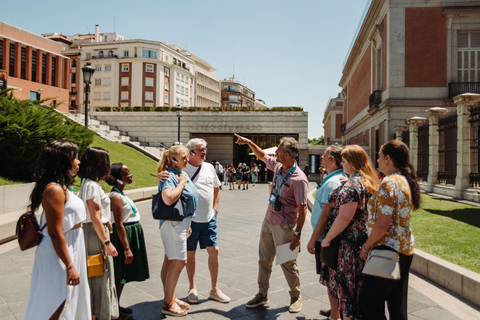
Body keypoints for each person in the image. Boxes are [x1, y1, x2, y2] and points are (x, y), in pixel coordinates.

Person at [235, 133, 308, 313]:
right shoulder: (278, 167)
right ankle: (262, 293)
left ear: (287, 155)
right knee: (264, 259)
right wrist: (250, 142)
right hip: (268, 221)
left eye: (279, 149)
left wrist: (297, 234)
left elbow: (303, 208)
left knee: (287, 262)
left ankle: (295, 295)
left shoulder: (299, 179)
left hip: (284, 226)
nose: (276, 151)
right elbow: (262, 155)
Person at [25, 139, 91, 320]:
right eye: (75, 157)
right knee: (54, 302)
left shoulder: (61, 186)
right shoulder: (54, 189)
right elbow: (55, 232)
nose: (78, 162)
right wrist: (69, 265)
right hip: (59, 251)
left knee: (65, 300)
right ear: (63, 161)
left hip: (69, 246)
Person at [359, 140, 420, 320]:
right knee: (397, 305)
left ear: (387, 158)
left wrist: (365, 247)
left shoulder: (388, 183)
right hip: (404, 248)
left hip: (387, 250)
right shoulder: (404, 180)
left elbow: (382, 224)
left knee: (368, 302)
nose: (376, 161)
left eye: (378, 156)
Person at [321, 145, 378, 320]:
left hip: (348, 249)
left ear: (352, 163)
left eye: (344, 161)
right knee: (357, 297)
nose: (342, 165)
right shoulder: (369, 183)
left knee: (348, 297)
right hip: (361, 244)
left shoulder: (352, 185)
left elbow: (345, 217)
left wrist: (327, 239)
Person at [184, 138, 231, 304]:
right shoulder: (183, 169)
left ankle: (214, 289)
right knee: (190, 254)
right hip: (189, 220)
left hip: (209, 218)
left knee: (214, 251)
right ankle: (192, 288)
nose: (204, 152)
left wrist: (215, 209)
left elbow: (216, 189)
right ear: (191, 152)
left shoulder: (210, 167)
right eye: (200, 150)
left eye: (204, 149)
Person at [157, 145, 199, 317]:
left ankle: (171, 297)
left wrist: (188, 223)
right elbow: (168, 198)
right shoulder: (170, 176)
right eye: (184, 158)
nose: (187, 160)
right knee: (179, 262)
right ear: (173, 160)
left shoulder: (181, 173)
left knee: (170, 260)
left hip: (180, 223)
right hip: (173, 225)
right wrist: (181, 184)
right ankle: (168, 303)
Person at [78, 147, 119, 320]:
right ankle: (97, 314)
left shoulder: (86, 183)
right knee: (99, 275)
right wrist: (107, 243)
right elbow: (94, 217)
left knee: (95, 275)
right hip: (96, 235)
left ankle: (93, 314)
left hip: (91, 233)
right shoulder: (93, 186)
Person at [306, 146, 345, 319]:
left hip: (326, 238)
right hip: (331, 237)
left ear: (332, 160)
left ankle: (334, 316)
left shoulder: (331, 183)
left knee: (331, 278)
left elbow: (325, 216)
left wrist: (313, 239)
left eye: (324, 155)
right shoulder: (337, 179)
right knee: (332, 277)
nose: (321, 156)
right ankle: (335, 309)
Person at [107, 163, 149, 319]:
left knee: (123, 275)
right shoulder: (116, 196)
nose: (131, 175)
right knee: (119, 274)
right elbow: (118, 224)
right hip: (123, 237)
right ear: (118, 178)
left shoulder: (121, 194)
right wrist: (126, 248)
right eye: (127, 173)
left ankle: (116, 305)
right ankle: (114, 311)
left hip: (131, 233)